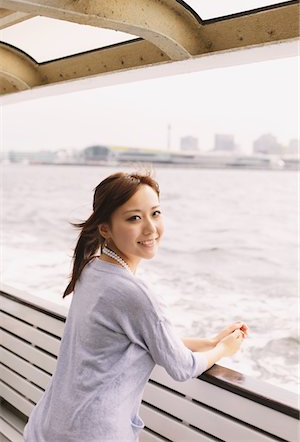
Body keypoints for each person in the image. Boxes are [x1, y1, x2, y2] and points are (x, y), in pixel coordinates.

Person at [24, 171, 248, 442]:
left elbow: (125, 339)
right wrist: (224, 349)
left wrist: (208, 341)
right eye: (134, 218)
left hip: (49, 426)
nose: (151, 228)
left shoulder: (92, 269)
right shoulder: (136, 294)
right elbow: (181, 368)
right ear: (105, 228)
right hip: (91, 434)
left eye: (155, 213)